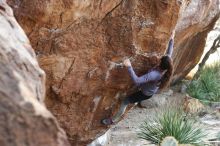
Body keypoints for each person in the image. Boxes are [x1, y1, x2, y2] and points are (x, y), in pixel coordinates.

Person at [101, 31, 175, 125]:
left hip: (145, 93)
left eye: (160, 59)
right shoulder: (167, 66)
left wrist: (129, 66)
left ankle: (112, 120)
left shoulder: (155, 74)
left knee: (125, 101)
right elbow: (169, 53)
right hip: (147, 87)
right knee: (131, 93)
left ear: (160, 63)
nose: (159, 58)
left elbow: (136, 80)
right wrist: (172, 38)